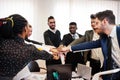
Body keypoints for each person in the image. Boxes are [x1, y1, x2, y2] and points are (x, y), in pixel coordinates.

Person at [59, 10, 120, 80]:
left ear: (105, 21)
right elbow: (90, 44)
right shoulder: (105, 38)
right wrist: (68, 48)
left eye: (96, 23)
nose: (94, 25)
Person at [0, 14, 59, 80]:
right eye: (28, 26)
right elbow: (43, 54)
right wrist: (53, 55)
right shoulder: (28, 50)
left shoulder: (3, 43)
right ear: (25, 29)